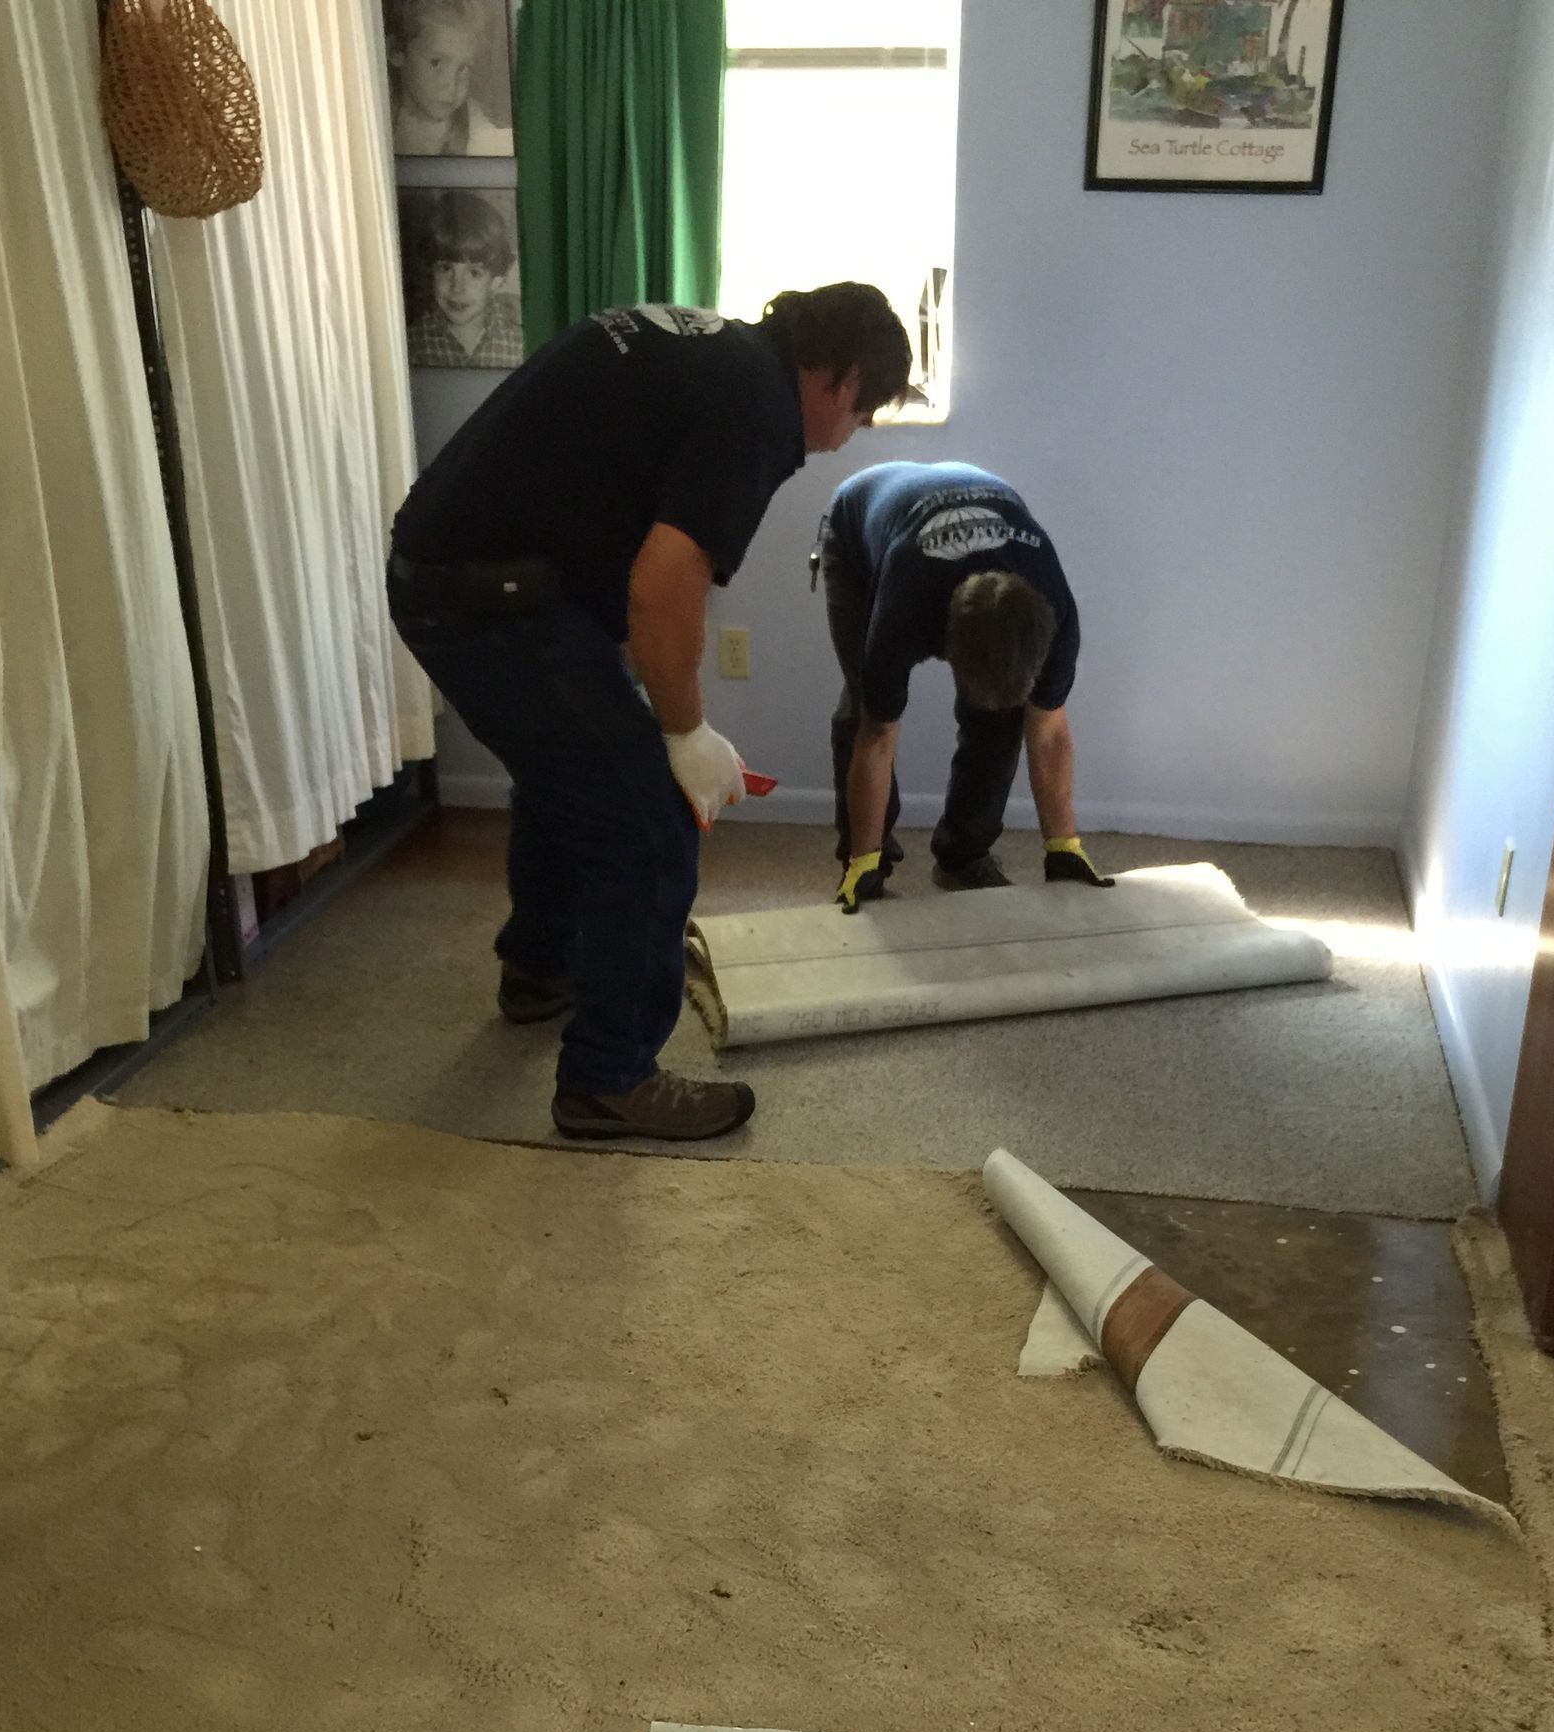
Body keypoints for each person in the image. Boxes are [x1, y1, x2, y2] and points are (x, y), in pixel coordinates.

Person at [388, 286, 914, 1141]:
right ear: (841, 378)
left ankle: (541, 970)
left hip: (468, 575)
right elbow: (666, 583)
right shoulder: (757, 409)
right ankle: (610, 1078)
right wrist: (684, 736)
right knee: (648, 821)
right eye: (864, 411)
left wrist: (651, 716)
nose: (848, 435)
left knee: (576, 772)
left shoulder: (716, 351)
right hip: (490, 601)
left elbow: (623, 538)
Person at [819, 462, 1115, 912]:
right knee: (866, 706)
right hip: (860, 522)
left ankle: (963, 854)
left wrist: (1063, 846)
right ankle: (867, 860)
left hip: (977, 507)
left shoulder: (1055, 613)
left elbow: (1050, 731)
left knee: (1000, 718)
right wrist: (863, 861)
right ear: (945, 646)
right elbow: (877, 740)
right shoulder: (905, 610)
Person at [405, 194, 522, 371]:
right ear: (431, 271)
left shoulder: (518, 341)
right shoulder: (411, 344)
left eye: (474, 273)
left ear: (497, 280)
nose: (457, 288)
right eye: (445, 269)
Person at [387, 0, 509, 157]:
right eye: (436, 63)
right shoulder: (374, 124)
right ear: (396, 52)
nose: (451, 85)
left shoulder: (480, 136)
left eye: (462, 68)